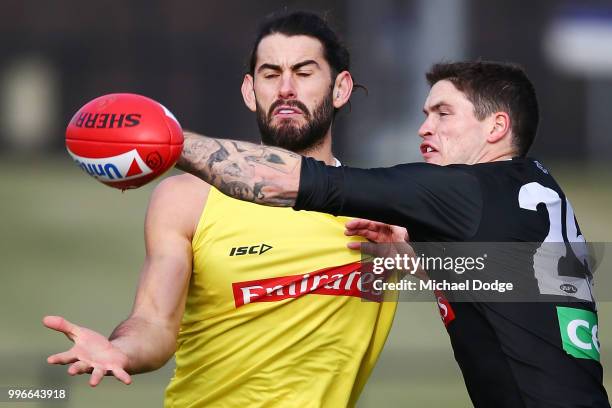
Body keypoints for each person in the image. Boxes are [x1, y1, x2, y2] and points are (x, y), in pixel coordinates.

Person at [176, 61, 610, 407]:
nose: (425, 128)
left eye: (443, 113)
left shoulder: (463, 189)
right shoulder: (532, 187)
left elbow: (287, 180)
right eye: (425, 115)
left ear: (496, 128)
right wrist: (418, 255)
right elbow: (517, 282)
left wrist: (169, 144)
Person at [44, 11, 400, 408]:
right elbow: (155, 322)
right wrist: (121, 350)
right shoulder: (186, 199)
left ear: (340, 88)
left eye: (303, 72)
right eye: (270, 73)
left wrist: (417, 259)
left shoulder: (381, 212)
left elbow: (478, 280)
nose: (285, 87)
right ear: (250, 92)